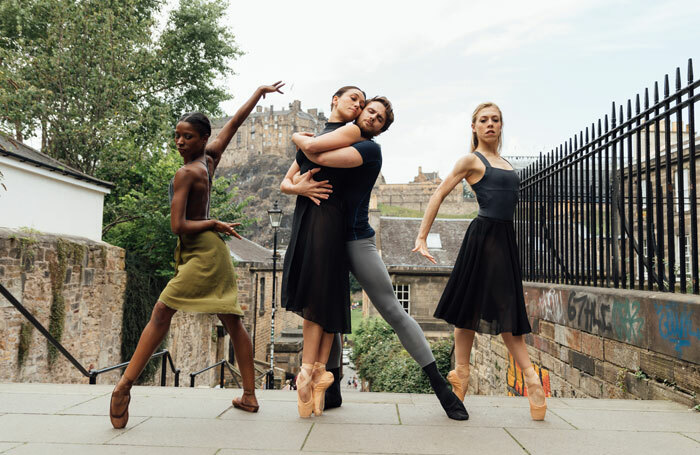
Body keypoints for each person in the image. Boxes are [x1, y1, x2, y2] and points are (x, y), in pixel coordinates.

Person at [108, 82, 285, 429]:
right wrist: (258, 94)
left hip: (204, 253)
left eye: (187, 137)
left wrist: (213, 221)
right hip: (206, 250)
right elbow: (233, 125)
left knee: (162, 311)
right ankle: (249, 395)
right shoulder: (209, 159)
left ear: (203, 139)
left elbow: (177, 225)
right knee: (232, 321)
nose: (179, 142)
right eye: (177, 136)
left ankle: (123, 386)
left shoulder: (187, 172)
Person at [287, 96, 469, 421]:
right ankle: (333, 389)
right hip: (325, 237)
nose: (373, 117)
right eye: (370, 110)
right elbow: (301, 168)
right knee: (327, 310)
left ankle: (440, 386)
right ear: (359, 110)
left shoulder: (369, 150)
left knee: (392, 310)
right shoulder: (338, 134)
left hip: (356, 240)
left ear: (382, 128)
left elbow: (312, 153)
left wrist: (300, 138)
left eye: (380, 117)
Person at [412, 102, 547, 420]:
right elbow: (439, 193)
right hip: (482, 239)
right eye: (483, 120)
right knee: (468, 311)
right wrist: (421, 237)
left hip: (504, 243)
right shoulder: (471, 160)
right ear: (473, 127)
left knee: (507, 314)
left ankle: (527, 377)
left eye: (495, 120)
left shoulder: (510, 166)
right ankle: (463, 372)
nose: (490, 124)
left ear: (502, 126)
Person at [279, 86, 366, 418]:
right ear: (335, 100)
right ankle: (310, 374)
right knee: (321, 295)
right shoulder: (322, 135)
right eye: (352, 98)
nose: (357, 104)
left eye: (361, 102)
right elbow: (287, 181)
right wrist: (298, 186)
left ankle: (313, 375)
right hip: (316, 218)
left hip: (328, 217)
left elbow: (312, 151)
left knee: (325, 296)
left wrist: (298, 140)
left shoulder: (349, 134)